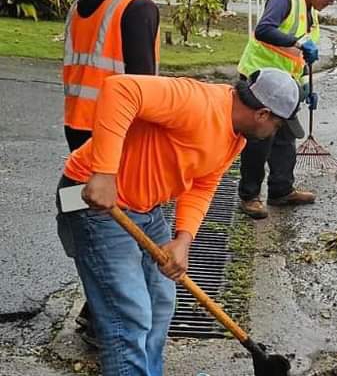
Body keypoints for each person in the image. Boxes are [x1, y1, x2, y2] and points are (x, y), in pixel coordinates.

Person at [55, 68, 301, 376]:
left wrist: (184, 239)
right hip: (93, 201)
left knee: (160, 304)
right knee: (129, 316)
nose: (275, 133)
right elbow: (119, 89)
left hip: (146, 206)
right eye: (278, 125)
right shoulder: (197, 102)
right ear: (263, 114)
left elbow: (202, 183)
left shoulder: (236, 136)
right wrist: (104, 172)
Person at [62, 0, 161, 345]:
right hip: (114, 133)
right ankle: (104, 317)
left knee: (88, 213)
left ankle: (93, 308)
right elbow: (144, 85)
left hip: (77, 125)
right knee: (123, 224)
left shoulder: (84, 3)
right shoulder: (137, 6)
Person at [236, 0, 337, 219]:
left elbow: (297, 57)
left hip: (285, 87)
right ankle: (249, 196)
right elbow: (263, 29)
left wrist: (305, 87)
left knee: (286, 138)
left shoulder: (313, 14)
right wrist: (297, 42)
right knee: (259, 140)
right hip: (259, 83)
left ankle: (281, 190)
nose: (331, 2)